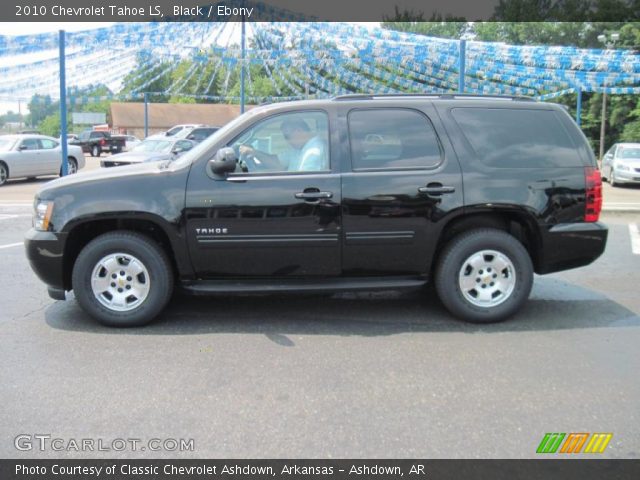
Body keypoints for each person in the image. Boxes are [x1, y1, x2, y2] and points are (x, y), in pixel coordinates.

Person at [239, 117, 328, 172]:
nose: (287, 141)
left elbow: (304, 184)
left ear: (298, 131)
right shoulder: (299, 149)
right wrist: (255, 153)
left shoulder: (314, 152)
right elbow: (277, 163)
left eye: (287, 136)